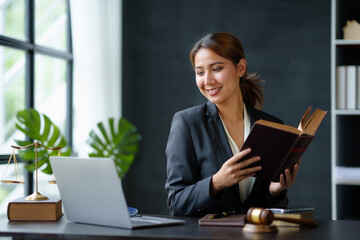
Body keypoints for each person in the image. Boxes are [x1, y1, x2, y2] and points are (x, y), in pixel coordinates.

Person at [165, 32, 300, 217]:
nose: (207, 80)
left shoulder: (272, 126)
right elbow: (175, 202)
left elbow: (270, 208)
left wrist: (275, 191)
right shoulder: (187, 123)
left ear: (240, 68)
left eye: (217, 68)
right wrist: (216, 182)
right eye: (200, 72)